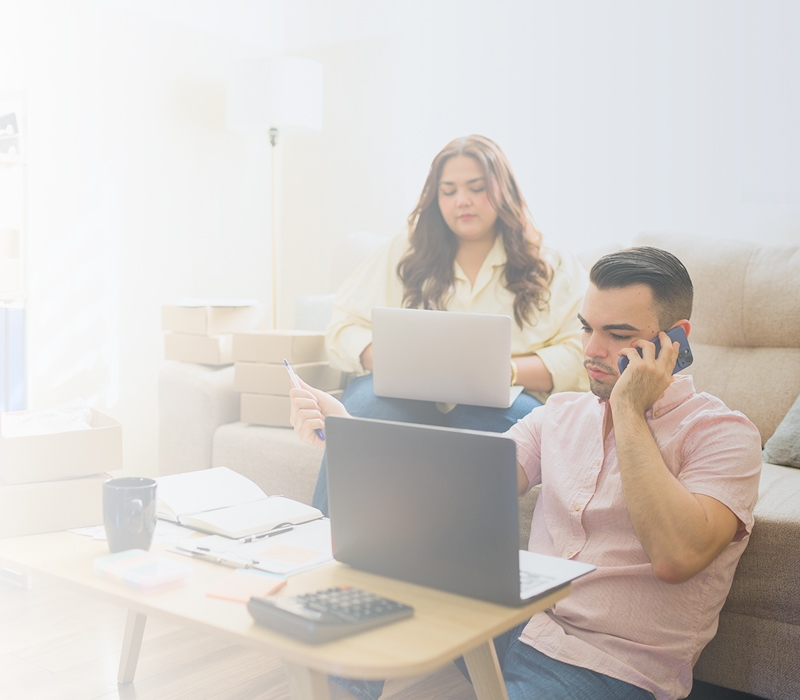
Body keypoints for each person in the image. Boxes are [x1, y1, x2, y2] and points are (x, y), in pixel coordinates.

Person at [290, 246, 763, 700]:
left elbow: (676, 556)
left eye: (618, 334)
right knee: (389, 564)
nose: (592, 349)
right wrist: (344, 432)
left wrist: (628, 409)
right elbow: (451, 494)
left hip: (604, 664)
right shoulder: (558, 414)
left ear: (675, 339)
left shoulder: (724, 434)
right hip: (511, 624)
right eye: (586, 328)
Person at [313, 134, 589, 515]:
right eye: (449, 191)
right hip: (403, 394)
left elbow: (582, 351)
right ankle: (324, 539)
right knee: (363, 414)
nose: (462, 200)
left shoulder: (551, 264)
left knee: (489, 430)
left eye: (476, 188)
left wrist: (506, 371)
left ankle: (455, 550)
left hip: (505, 398)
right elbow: (343, 328)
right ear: (435, 196)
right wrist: (392, 361)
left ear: (504, 190)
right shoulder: (404, 252)